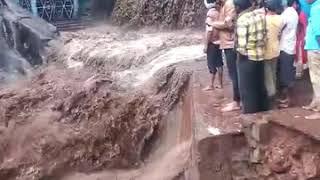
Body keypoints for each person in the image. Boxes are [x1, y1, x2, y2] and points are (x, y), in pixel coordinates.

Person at [234, 0, 269, 114]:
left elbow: (242, 46)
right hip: (260, 56)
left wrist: (238, 53)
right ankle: (263, 112)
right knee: (259, 86)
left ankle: (250, 116)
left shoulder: (242, 19)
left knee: (247, 90)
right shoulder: (260, 15)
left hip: (247, 59)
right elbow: (265, 36)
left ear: (239, 7)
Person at [211, 0, 240, 112]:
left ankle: (236, 102)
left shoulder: (229, 4)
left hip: (230, 43)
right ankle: (237, 100)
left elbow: (229, 24)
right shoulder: (225, 5)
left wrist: (213, 24)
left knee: (234, 74)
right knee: (234, 73)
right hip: (227, 43)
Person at [278, 0, 299, 108]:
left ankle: (290, 100)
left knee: (286, 76)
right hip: (289, 46)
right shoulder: (293, 12)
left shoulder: (287, 13)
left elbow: (280, 27)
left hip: (285, 46)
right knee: (287, 73)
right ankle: (287, 99)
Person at [264, 0, 284, 108]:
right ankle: (274, 94)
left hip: (266, 50)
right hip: (276, 49)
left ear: (267, 9)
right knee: (273, 73)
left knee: (268, 76)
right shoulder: (280, 19)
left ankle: (271, 97)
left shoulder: (265, 19)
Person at [303, 0, 320, 119]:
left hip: (315, 48)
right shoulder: (315, 7)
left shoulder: (316, 8)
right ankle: (315, 103)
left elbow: (318, 32)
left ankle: (319, 110)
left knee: (317, 79)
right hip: (314, 47)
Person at [203, 0, 224, 91]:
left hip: (212, 43)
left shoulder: (210, 15)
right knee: (219, 63)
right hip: (220, 42)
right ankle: (220, 84)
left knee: (211, 64)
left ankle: (211, 85)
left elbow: (209, 31)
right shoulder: (220, 12)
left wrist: (206, 45)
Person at [295, 0, 310, 79]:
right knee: (299, 55)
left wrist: (304, 38)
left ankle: (299, 72)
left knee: (300, 55)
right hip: (298, 37)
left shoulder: (301, 14)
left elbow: (305, 27)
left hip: (301, 37)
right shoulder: (297, 14)